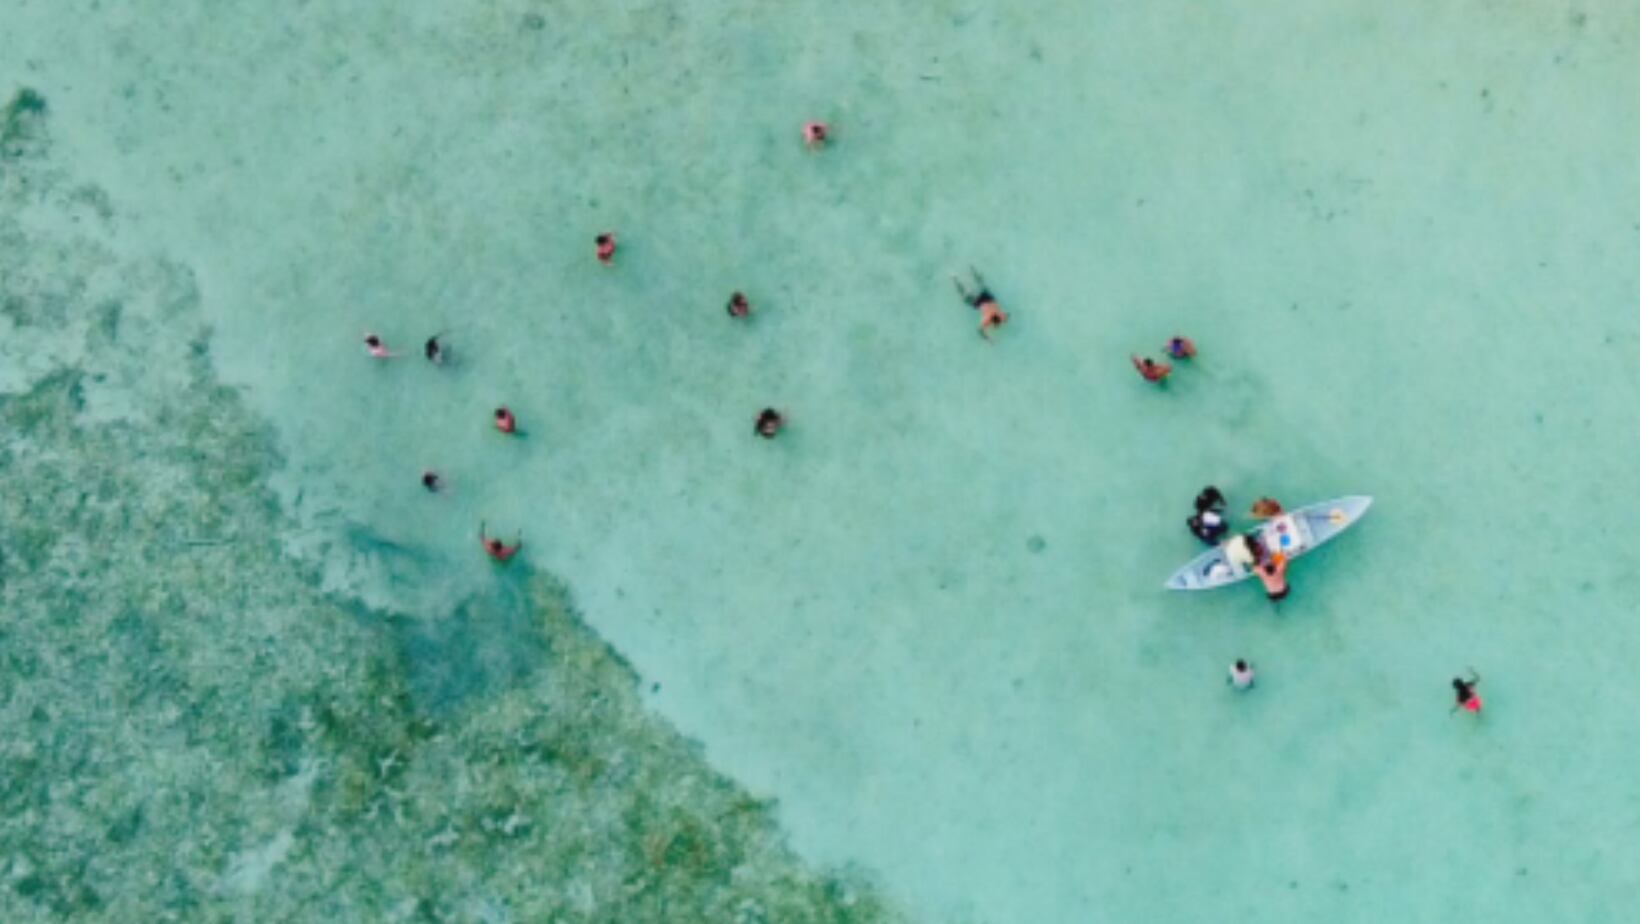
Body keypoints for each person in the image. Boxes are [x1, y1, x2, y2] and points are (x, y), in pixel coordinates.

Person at [952, 268, 1010, 340]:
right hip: (982, 301)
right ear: (992, 322)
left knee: (981, 285)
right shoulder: (986, 320)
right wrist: (988, 339)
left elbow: (1007, 315)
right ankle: (955, 279)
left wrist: (1006, 318)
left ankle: (971, 271)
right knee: (965, 299)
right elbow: (979, 331)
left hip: (988, 299)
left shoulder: (1001, 316)